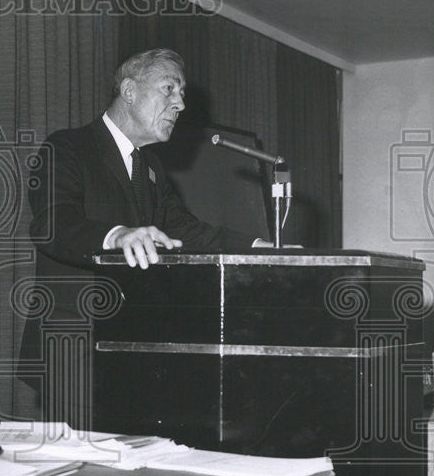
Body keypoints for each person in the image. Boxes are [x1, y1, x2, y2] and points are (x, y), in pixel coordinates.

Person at [20, 49, 269, 419]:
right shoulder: (67, 147)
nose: (180, 104)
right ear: (129, 91)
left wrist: (257, 246)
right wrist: (117, 236)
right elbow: (52, 225)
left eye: (181, 94)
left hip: (130, 349)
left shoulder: (150, 166)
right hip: (73, 348)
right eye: (169, 89)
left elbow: (185, 230)